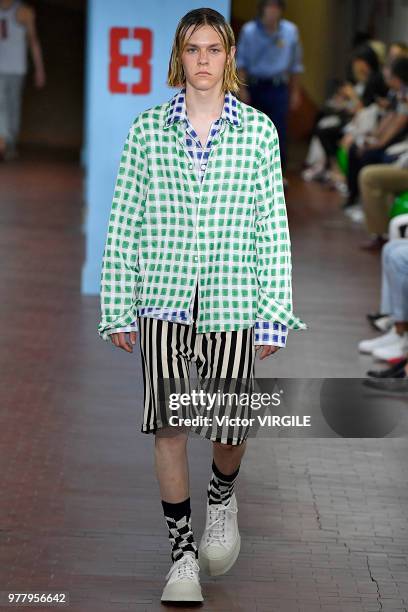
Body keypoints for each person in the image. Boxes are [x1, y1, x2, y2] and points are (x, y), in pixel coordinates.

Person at [97, 7, 306, 604]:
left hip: (234, 300)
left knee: (229, 424)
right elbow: (124, 225)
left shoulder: (259, 134)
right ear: (178, 58)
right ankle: (182, 555)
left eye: (214, 49)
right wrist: (118, 305)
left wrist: (274, 311)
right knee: (169, 428)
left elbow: (273, 226)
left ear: (230, 58)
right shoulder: (146, 132)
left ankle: (222, 493)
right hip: (163, 300)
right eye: (194, 49)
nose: (204, 60)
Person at [235, 0, 303, 169]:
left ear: (281, 10)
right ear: (262, 9)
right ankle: (250, 171)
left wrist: (295, 92)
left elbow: (296, 66)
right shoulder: (249, 31)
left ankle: (278, 174)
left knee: (278, 130)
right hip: (254, 86)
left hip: (279, 87)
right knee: (252, 130)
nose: (273, 11)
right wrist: (242, 89)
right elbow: (240, 62)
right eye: (269, 6)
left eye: (276, 7)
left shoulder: (290, 31)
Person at [0, 0, 46, 160]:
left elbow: (33, 40)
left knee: (13, 107)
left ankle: (10, 142)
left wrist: (39, 69)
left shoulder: (23, 12)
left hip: (17, 68)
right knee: (1, 105)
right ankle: (3, 142)